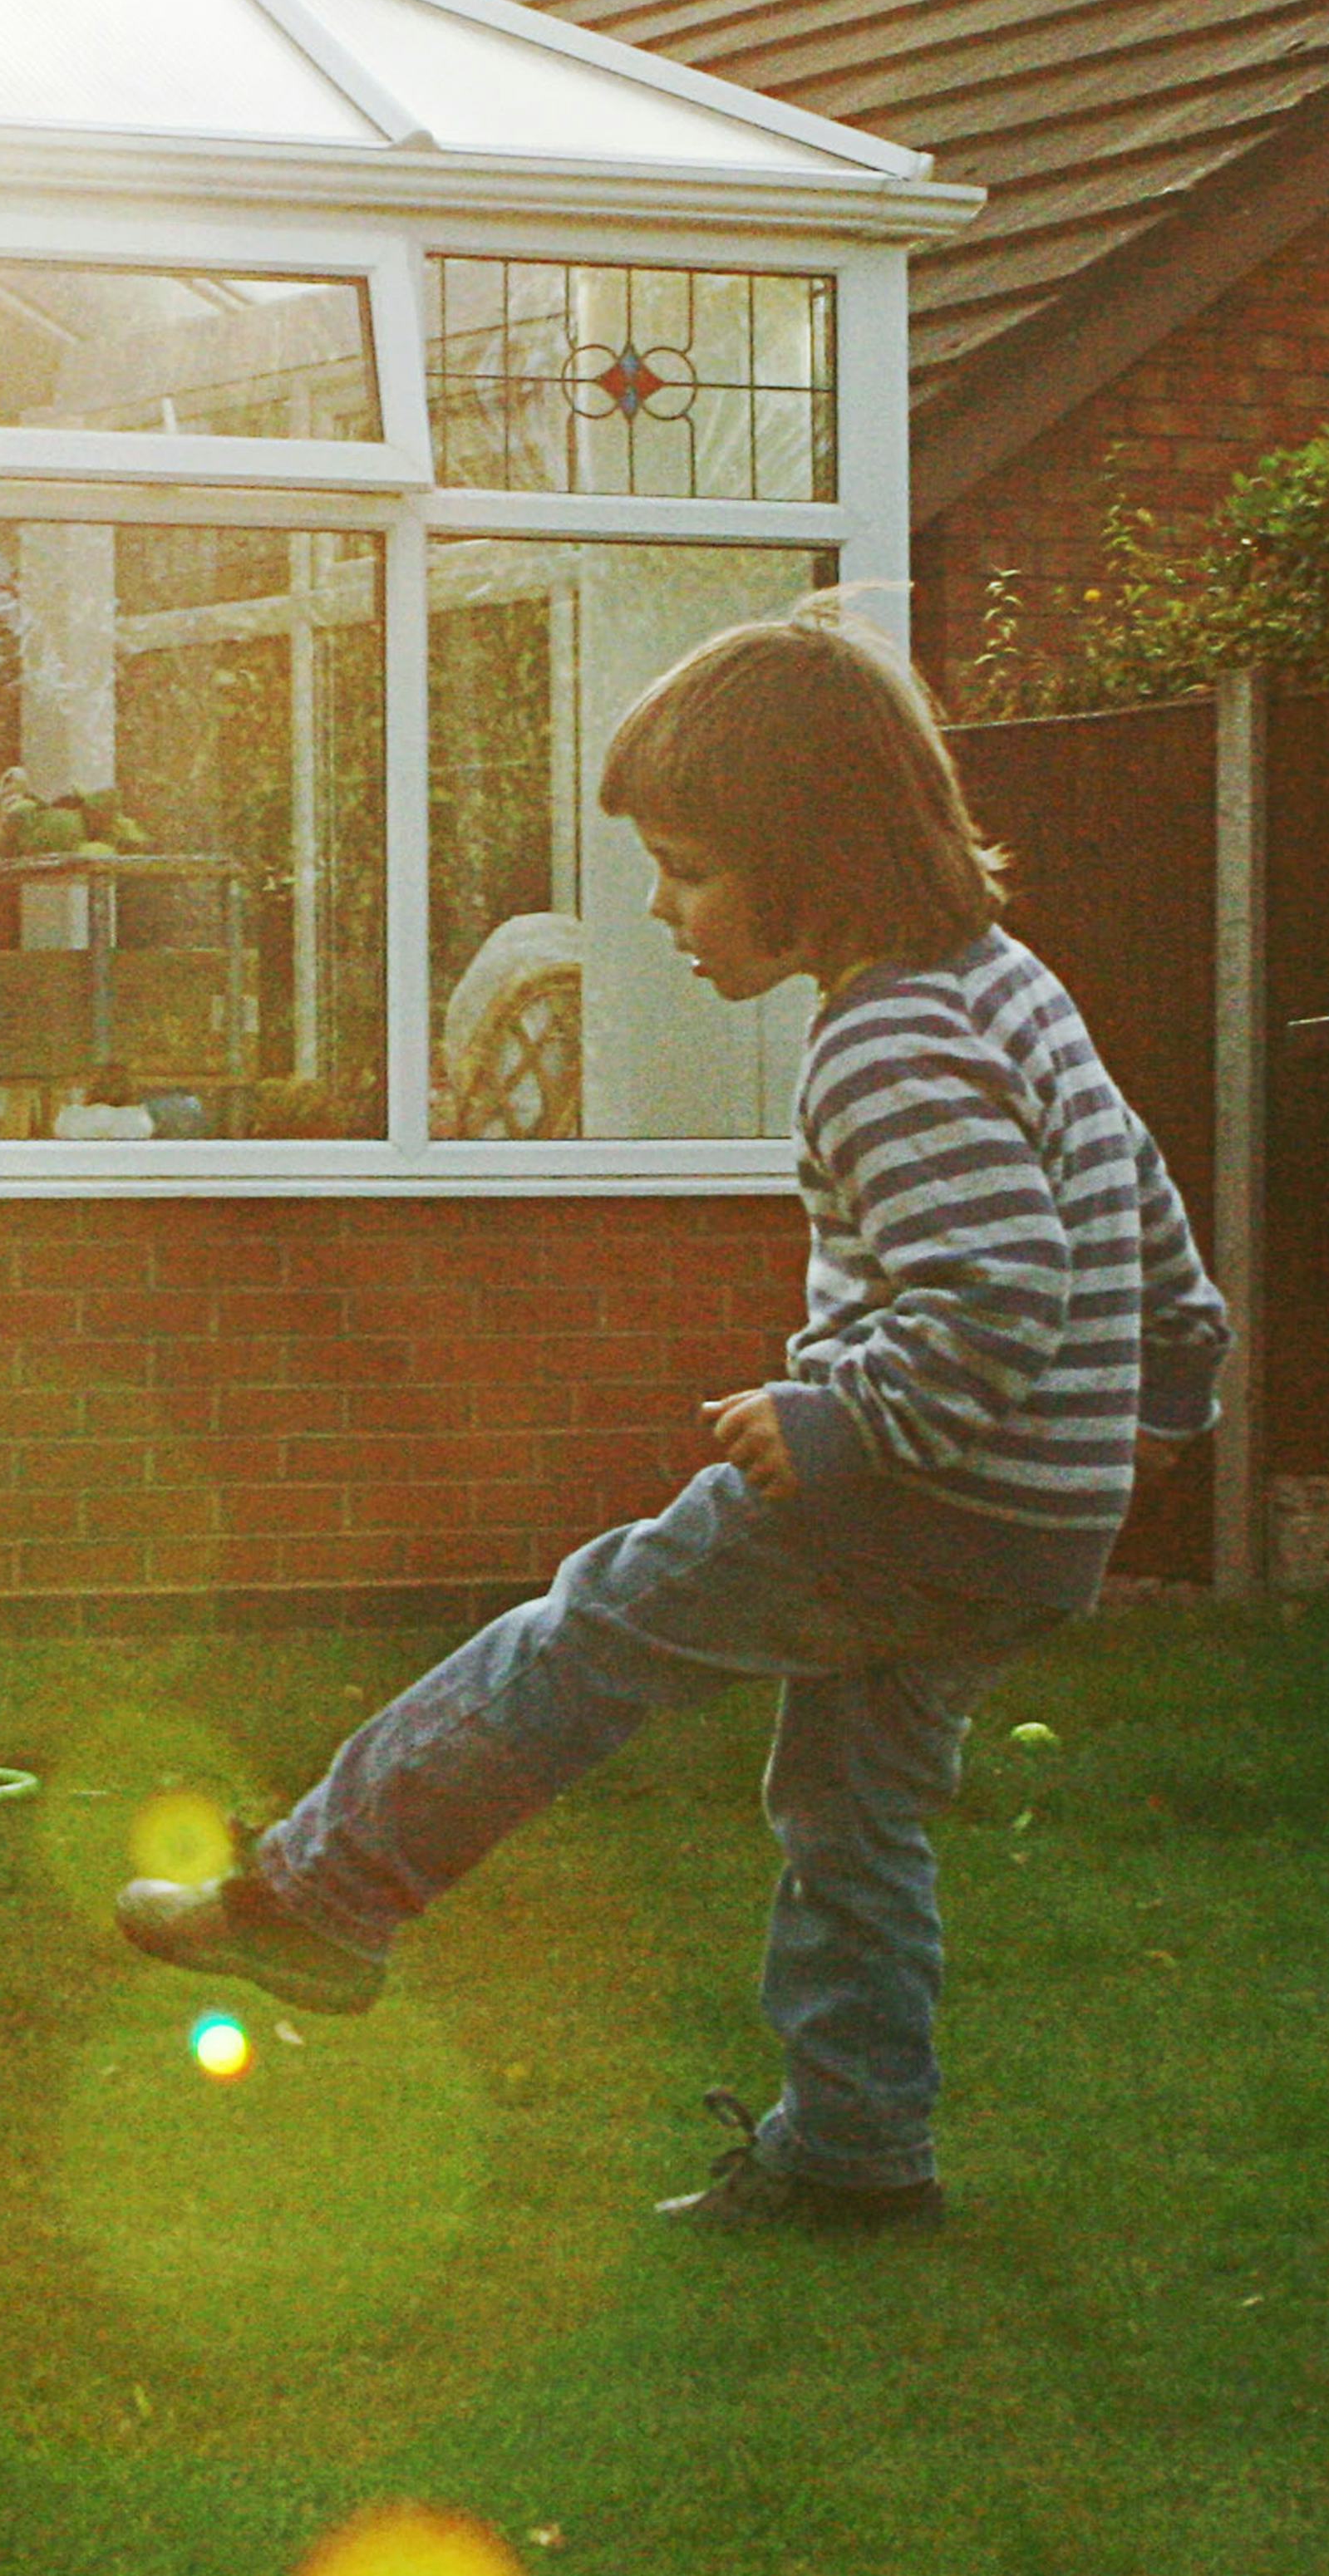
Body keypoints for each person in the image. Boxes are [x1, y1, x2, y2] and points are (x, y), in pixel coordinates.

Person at [113, 605, 1225, 2234]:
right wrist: (1178, 1379)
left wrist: (834, 1415)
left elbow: (994, 1292)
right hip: (1025, 1532)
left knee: (585, 1636)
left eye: (690, 868)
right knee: (854, 1813)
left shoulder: (887, 1037)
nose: (662, 910)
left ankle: (320, 1895)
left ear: (817, 855)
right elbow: (1132, 1188)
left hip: (896, 1499)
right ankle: (855, 2151)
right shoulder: (1005, 987)